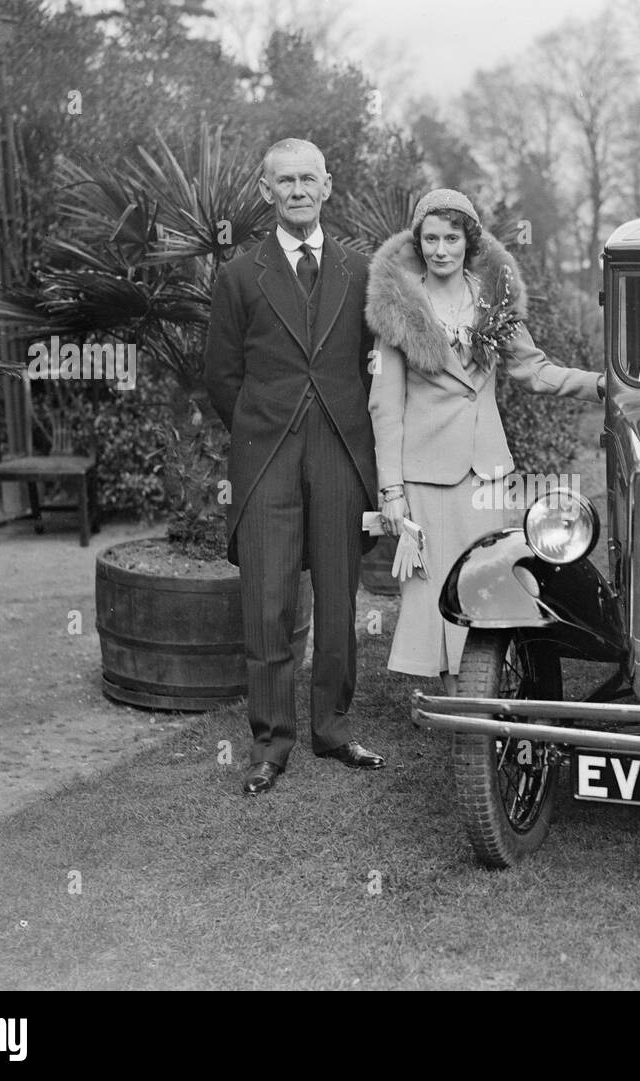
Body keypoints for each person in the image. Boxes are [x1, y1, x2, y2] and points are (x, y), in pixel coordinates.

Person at [365, 189, 604, 692]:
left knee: (486, 585)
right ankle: (461, 710)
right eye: (430, 239)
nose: (440, 249)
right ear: (419, 242)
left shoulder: (491, 302)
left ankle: (481, 692)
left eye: (452, 238)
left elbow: (535, 371)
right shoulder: (401, 309)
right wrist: (391, 492)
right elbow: (385, 408)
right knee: (435, 591)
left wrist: (601, 385)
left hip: (488, 472)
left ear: (469, 241)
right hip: (426, 477)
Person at [203, 138, 385, 796]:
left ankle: (332, 728)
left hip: (340, 447)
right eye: (286, 181)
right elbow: (222, 376)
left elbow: (378, 367)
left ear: (328, 186)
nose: (299, 190)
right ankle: (270, 740)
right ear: (266, 190)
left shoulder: (362, 273)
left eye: (309, 178)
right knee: (268, 601)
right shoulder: (240, 276)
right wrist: (263, 427)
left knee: (338, 599)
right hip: (268, 452)